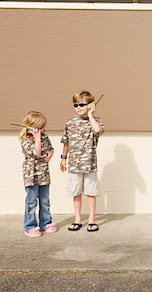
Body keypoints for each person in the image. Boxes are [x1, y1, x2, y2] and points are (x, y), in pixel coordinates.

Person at [60, 90, 104, 232]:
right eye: (75, 104)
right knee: (76, 192)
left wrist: (90, 114)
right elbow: (66, 141)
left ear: (90, 105)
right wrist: (63, 158)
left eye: (81, 104)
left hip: (90, 165)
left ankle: (91, 220)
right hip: (74, 164)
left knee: (91, 193)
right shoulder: (70, 121)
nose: (78, 107)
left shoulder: (96, 121)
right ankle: (77, 219)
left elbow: (97, 131)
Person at [20, 111, 56, 237]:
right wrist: (37, 138)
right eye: (40, 127)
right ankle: (30, 226)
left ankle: (46, 223)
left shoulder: (44, 136)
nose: (43, 129)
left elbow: (50, 149)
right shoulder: (25, 139)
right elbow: (38, 153)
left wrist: (50, 154)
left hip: (44, 174)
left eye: (43, 127)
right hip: (32, 176)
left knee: (45, 200)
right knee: (31, 202)